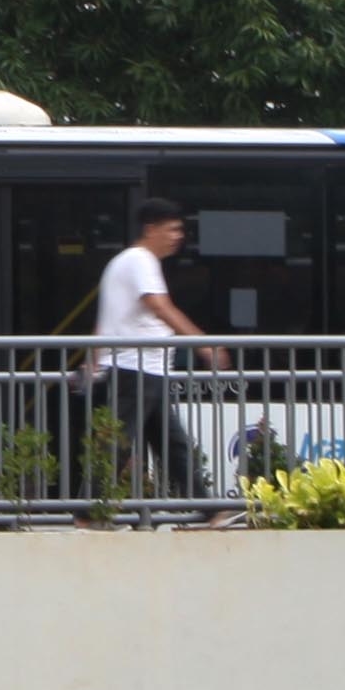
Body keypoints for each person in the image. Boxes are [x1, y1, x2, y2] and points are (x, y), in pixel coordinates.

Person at [92, 198, 231, 496]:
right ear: (150, 228)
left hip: (144, 368)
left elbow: (106, 319)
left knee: (171, 445)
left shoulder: (126, 262)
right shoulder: (140, 260)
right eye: (171, 229)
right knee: (119, 443)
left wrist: (96, 361)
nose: (177, 236)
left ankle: (206, 507)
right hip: (136, 368)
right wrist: (204, 345)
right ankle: (89, 510)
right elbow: (160, 306)